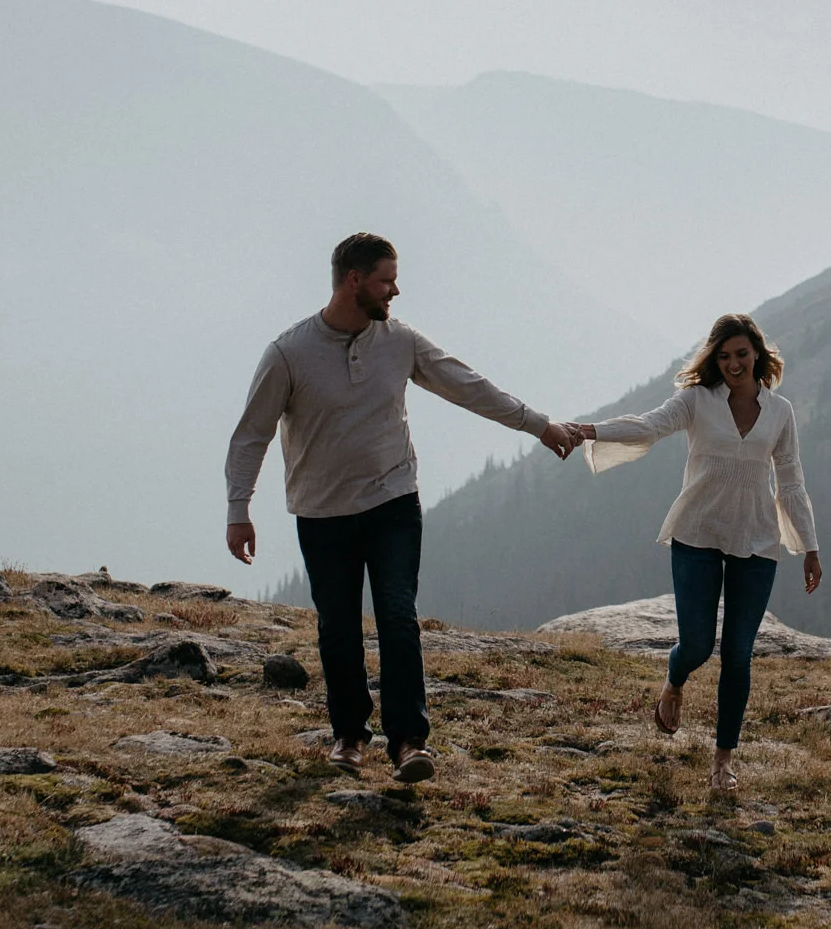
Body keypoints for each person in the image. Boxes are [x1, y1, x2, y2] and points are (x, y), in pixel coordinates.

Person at [225, 232, 582, 782]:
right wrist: (239, 509)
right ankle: (348, 737)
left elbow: (469, 385)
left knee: (397, 616)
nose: (396, 290)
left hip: (393, 501)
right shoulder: (289, 353)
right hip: (323, 514)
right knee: (338, 626)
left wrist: (539, 425)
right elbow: (252, 435)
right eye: (387, 280)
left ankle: (409, 742)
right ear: (354, 281)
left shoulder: (401, 341)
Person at [573, 312, 822, 792]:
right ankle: (674, 680)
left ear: (758, 354)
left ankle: (722, 762)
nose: (733, 364)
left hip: (757, 540)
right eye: (724, 356)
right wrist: (591, 430)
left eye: (742, 354)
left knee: (738, 654)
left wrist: (809, 546)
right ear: (714, 359)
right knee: (696, 645)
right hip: (697, 533)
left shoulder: (781, 411)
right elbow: (649, 426)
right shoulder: (695, 400)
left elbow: (791, 482)